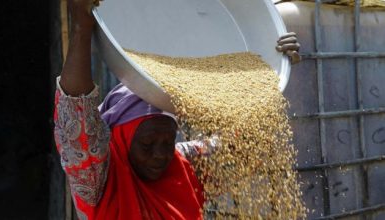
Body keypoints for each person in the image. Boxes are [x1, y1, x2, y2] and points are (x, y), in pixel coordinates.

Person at [53, 0, 301, 219]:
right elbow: (76, 109)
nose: (160, 155)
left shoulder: (184, 162)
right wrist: (81, 28)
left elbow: (249, 144)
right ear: (122, 138)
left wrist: (271, 65)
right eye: (147, 145)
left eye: (167, 142)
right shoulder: (100, 176)